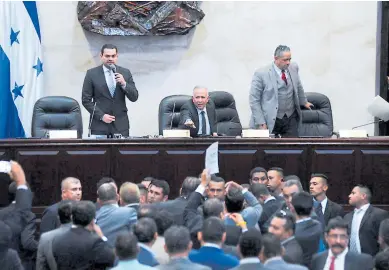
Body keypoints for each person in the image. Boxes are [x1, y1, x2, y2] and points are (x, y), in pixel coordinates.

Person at [249, 45, 313, 137]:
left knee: (293, 148)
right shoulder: (261, 74)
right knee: (271, 149)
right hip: (270, 118)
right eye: (285, 60)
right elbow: (254, 100)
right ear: (276, 58)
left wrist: (304, 101)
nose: (288, 62)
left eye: (289, 59)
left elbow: (298, 85)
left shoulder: (293, 67)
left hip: (290, 117)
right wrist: (261, 122)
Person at [81, 43, 139, 137]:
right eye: (107, 56)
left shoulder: (125, 72)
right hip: (99, 125)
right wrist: (101, 116)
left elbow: (134, 97)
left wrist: (124, 84)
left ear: (117, 56)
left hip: (120, 125)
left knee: (121, 152)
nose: (110, 59)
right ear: (101, 56)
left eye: (113, 56)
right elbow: (86, 100)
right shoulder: (91, 74)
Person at [52, 200, 115, 269]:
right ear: (92, 220)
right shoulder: (95, 242)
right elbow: (110, 259)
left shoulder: (57, 240)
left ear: (72, 218)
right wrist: (102, 237)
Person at [344, 185, 389, 256]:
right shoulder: (347, 217)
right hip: (350, 262)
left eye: (353, 193)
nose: (349, 196)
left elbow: (385, 239)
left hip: (372, 261)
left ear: (363, 196)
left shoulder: (379, 214)